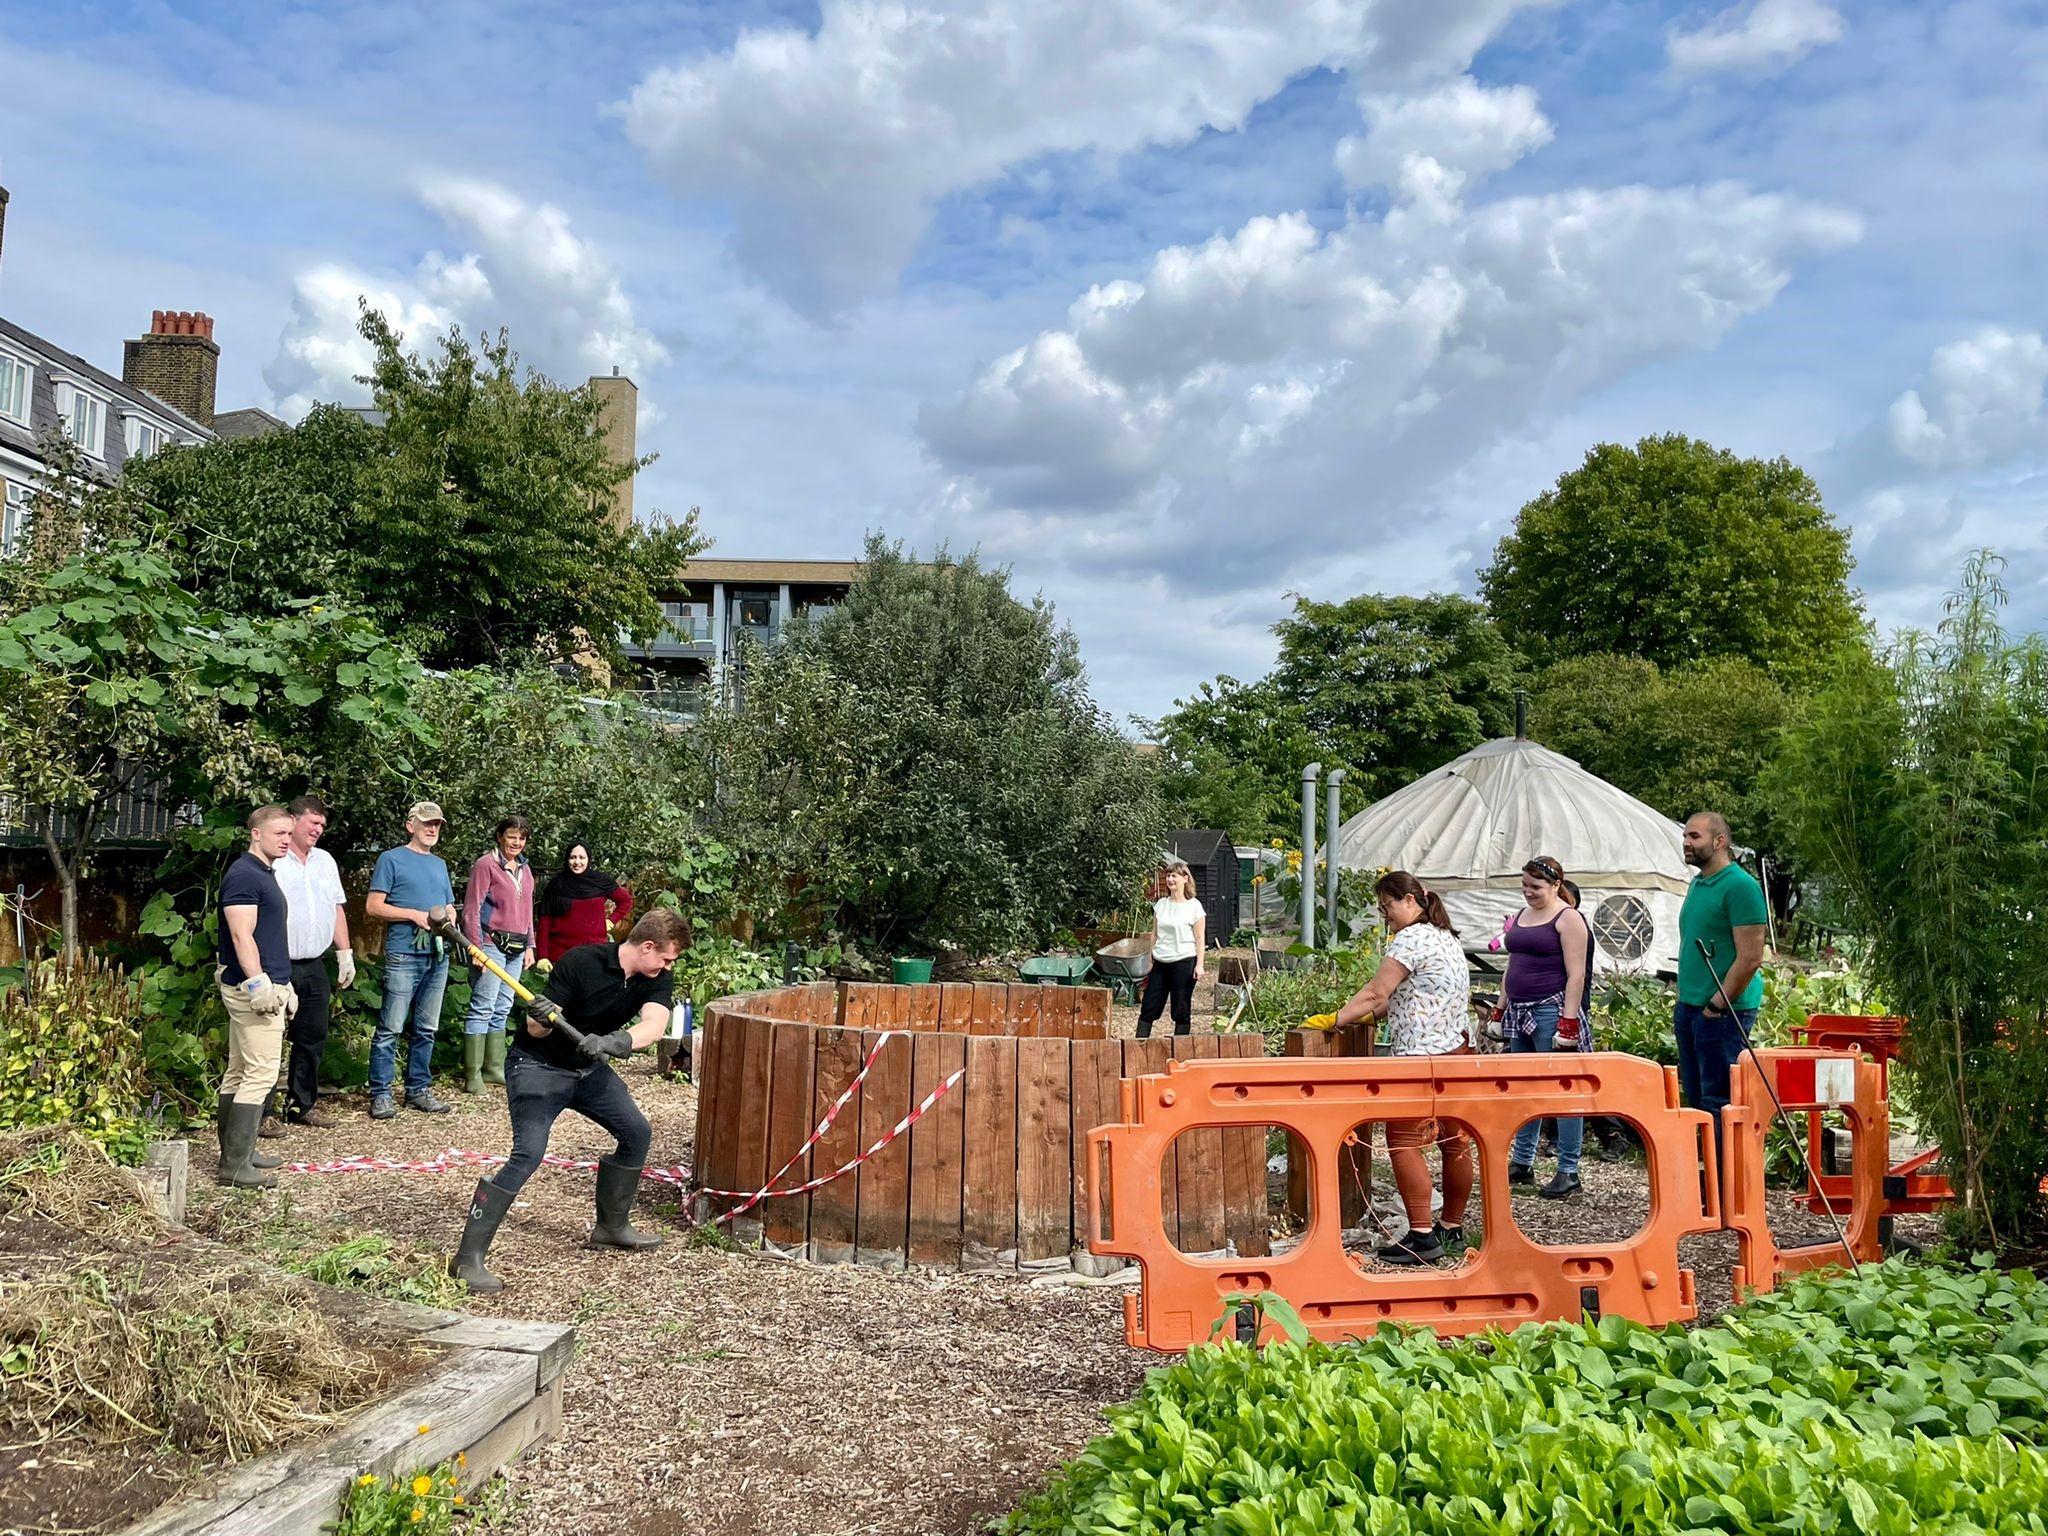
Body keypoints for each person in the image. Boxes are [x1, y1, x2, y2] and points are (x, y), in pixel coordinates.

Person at [448, 908, 688, 1292]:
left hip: (588, 1071)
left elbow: (655, 1026)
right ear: (646, 946)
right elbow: (535, 1030)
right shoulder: (582, 961)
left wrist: (615, 1041)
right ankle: (468, 1259)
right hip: (537, 1067)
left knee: (636, 1133)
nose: (667, 965)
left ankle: (612, 1227)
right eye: (665, 957)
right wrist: (542, 1016)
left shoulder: (655, 977)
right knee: (528, 1154)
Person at [1311, 871, 1475, 1266]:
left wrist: (1336, 1018)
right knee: (1455, 1140)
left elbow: (1375, 991)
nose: (1385, 916)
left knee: (1402, 1139)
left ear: (1409, 901)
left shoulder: (1412, 938)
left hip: (1422, 1057)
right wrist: (1368, 1017)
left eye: (1387, 907)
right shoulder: (1445, 936)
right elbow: (1413, 993)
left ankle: (1421, 1236)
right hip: (1456, 1049)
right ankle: (1450, 1225)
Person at [215, 805, 297, 1189]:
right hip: (252, 990)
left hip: (263, 984)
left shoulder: (261, 872)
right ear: (255, 834)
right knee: (261, 1073)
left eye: (288, 833)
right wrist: (260, 985)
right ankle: (234, 1166)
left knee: (238, 1071)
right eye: (279, 833)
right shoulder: (244, 875)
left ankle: (239, 1154)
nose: (286, 840)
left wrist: (283, 982)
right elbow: (241, 936)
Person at [1502, 855, 1591, 1199]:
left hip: (1550, 1010)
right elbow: (1512, 963)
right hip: (1519, 1009)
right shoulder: (1522, 916)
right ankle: (1523, 1161)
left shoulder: (1569, 919)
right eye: (1524, 885)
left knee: (1562, 1091)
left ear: (1556, 886)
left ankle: (1568, 1170)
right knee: (1525, 1088)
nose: (1528, 892)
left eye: (1536, 887)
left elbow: (1577, 974)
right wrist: (1499, 1008)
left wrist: (1568, 1023)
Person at [1676, 812, 1769, 1135]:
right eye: (1686, 836)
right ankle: (1706, 1178)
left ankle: (1724, 1182)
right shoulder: (1699, 883)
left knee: (1718, 1101)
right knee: (1697, 1099)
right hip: (1690, 1005)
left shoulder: (1741, 887)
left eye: (1695, 837)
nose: (1686, 842)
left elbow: (1751, 957)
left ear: (1720, 842)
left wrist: (1716, 1006)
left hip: (1724, 1011)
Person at [365, 802, 457, 1120]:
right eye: (426, 823)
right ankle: (381, 1093)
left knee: (427, 1028)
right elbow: (374, 906)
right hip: (404, 952)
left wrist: (451, 916)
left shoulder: (439, 864)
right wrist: (413, 915)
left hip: (437, 953)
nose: (432, 829)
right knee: (391, 1026)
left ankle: (418, 1090)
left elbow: (447, 904)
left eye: (437, 825)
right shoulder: (390, 859)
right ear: (410, 825)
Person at [268, 794, 355, 1131]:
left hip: (315, 962)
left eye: (322, 824)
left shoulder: (325, 861)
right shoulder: (275, 861)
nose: (319, 829)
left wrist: (344, 952)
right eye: (313, 822)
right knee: (271, 1039)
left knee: (313, 1036)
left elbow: (336, 907)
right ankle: (264, 1112)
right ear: (294, 821)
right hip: (278, 962)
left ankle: (301, 1104)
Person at [459, 816, 536, 1095]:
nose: (516, 842)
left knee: (503, 1006)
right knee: (483, 1005)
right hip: (491, 942)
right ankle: (473, 1074)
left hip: (517, 946)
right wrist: (475, 948)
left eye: (522, 838)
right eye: (512, 836)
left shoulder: (525, 869)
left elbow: (528, 911)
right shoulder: (485, 865)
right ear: (500, 837)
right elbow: (471, 909)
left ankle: (493, 1068)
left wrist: (531, 946)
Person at [1134, 860, 1205, 1039]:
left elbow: (1199, 938)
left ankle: (1180, 1048)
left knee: (1180, 1006)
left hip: (1184, 961)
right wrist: (1150, 958)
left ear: (1185, 879)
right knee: (1149, 1005)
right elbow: (1154, 934)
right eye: (1168, 876)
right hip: (1161, 961)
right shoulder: (1161, 905)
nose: (1170, 879)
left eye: (1174, 875)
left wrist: (1199, 965)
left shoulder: (1194, 906)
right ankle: (1139, 1045)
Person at [536, 843, 634, 961]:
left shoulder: (600, 881)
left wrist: (612, 921)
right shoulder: (556, 886)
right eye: (573, 857)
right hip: (561, 955)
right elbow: (544, 921)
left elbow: (626, 900)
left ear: (588, 859)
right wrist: (542, 956)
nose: (577, 862)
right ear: (567, 859)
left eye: (582, 857)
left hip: (594, 953)